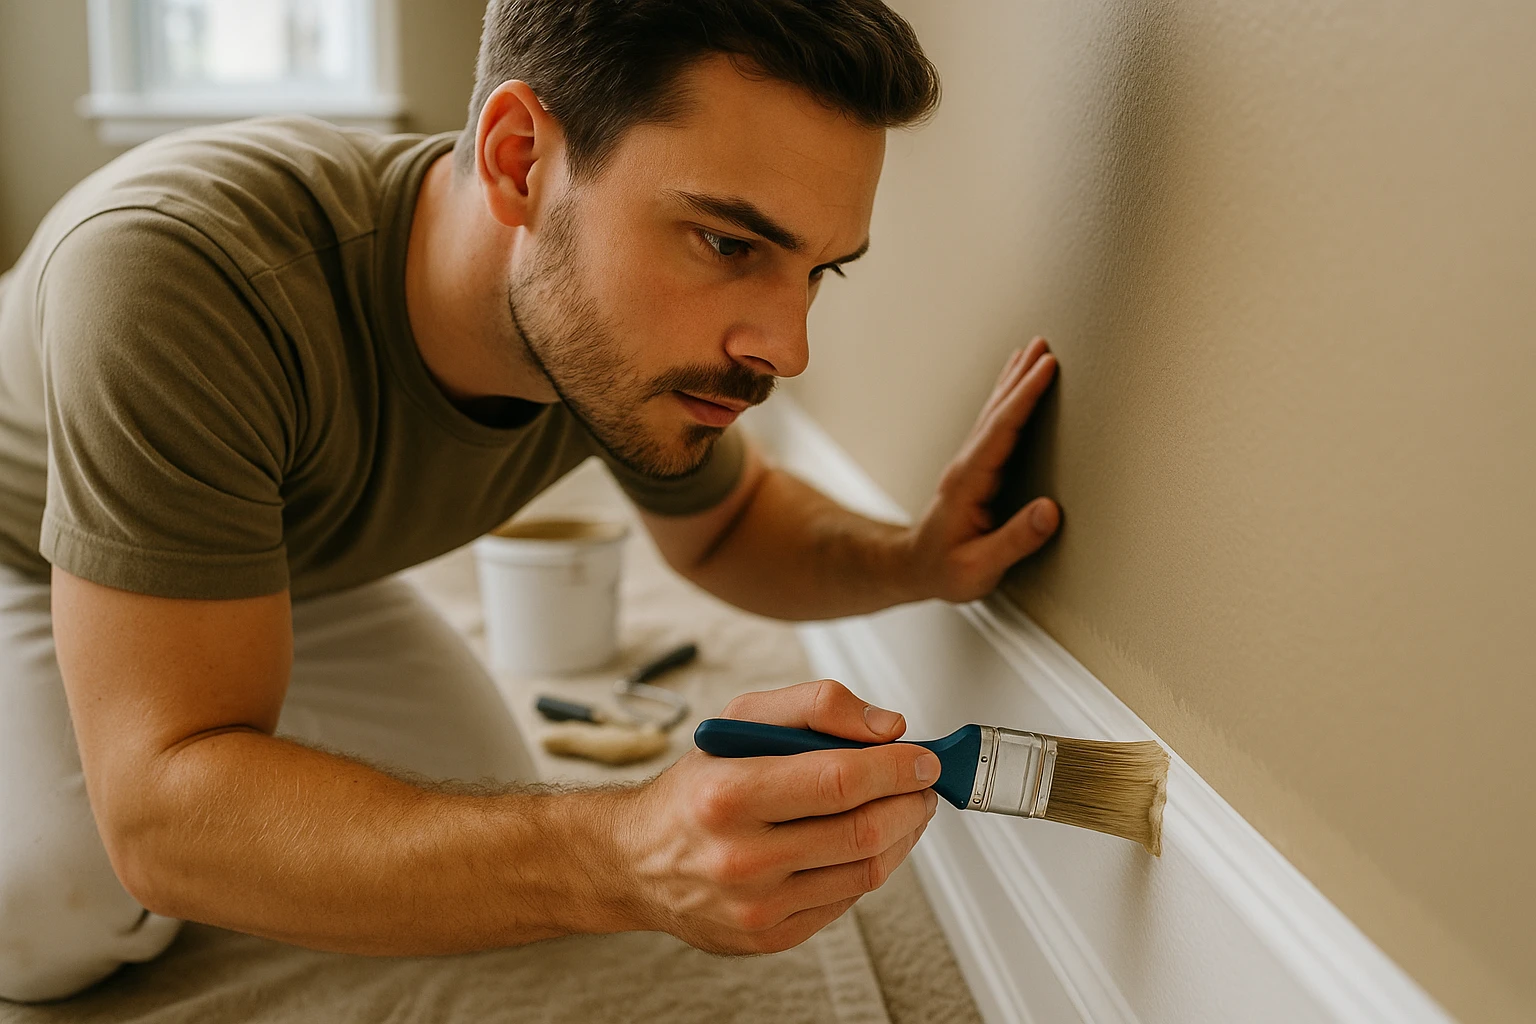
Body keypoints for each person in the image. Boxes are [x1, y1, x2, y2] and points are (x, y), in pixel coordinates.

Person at [0, 0, 1061, 1002]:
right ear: (520, 159)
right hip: (31, 548)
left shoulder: (603, 334)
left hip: (288, 556)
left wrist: (911, 559)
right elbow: (162, 820)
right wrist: (624, 852)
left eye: (817, 269)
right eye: (729, 244)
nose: (784, 346)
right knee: (56, 911)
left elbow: (729, 526)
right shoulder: (178, 274)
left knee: (480, 806)